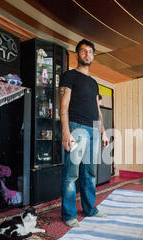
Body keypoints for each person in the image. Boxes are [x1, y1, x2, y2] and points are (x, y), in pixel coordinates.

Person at [59, 39, 110, 228]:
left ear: (93, 56)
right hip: (76, 128)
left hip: (93, 131)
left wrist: (103, 132)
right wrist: (66, 131)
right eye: (83, 51)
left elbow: (97, 110)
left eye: (90, 51)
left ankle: (90, 209)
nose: (87, 54)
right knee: (71, 174)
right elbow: (63, 106)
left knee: (90, 173)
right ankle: (69, 214)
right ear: (77, 54)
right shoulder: (69, 76)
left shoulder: (94, 83)